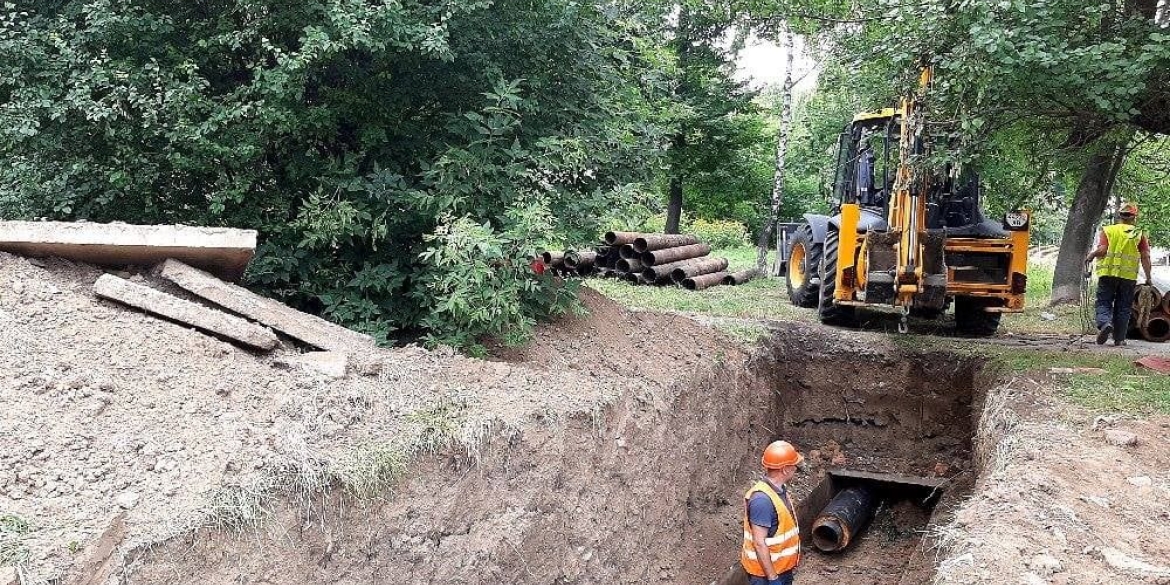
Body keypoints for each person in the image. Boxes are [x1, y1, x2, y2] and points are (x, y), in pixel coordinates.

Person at [1084, 202, 1153, 346]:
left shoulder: (1108, 230)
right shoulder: (1139, 234)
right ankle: (1120, 339)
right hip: (1128, 277)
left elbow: (1102, 250)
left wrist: (1091, 255)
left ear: (1120, 216)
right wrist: (1148, 278)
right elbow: (1145, 257)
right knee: (1124, 306)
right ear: (1134, 217)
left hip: (1108, 274)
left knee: (1103, 302)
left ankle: (1104, 324)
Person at [741, 440, 804, 585]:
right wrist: (773, 578)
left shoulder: (780, 491)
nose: (796, 468)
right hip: (765, 576)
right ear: (785, 469)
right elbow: (759, 543)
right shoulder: (762, 501)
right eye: (794, 465)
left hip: (781, 570)